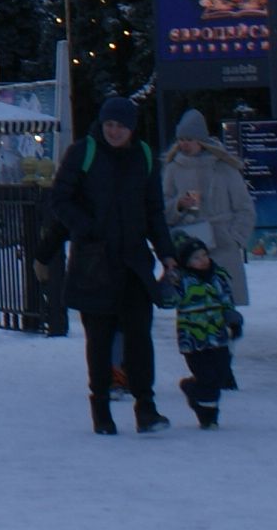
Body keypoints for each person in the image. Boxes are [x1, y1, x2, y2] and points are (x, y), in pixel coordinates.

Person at [47, 95, 173, 436]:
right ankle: (101, 411)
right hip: (95, 263)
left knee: (139, 338)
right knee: (99, 340)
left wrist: (167, 254)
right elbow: (59, 198)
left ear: (131, 128)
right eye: (109, 125)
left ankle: (146, 408)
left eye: (120, 126)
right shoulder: (83, 152)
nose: (114, 131)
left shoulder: (144, 156)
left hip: (133, 261)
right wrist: (86, 227)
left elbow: (154, 212)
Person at [161, 110, 257, 307]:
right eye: (180, 139)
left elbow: (245, 207)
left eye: (189, 139)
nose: (183, 144)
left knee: (223, 300)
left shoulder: (224, 168)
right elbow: (160, 207)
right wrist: (178, 205)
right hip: (189, 244)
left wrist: (236, 237)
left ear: (200, 140)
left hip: (222, 244)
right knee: (193, 302)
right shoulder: (173, 169)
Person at [170, 234, 242, 429]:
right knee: (207, 377)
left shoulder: (218, 276)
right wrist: (169, 281)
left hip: (218, 337)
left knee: (219, 376)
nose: (203, 260)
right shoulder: (183, 281)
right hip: (194, 340)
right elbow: (167, 301)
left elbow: (226, 301)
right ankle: (203, 408)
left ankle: (203, 408)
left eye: (204, 255)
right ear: (185, 262)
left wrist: (233, 319)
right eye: (196, 257)